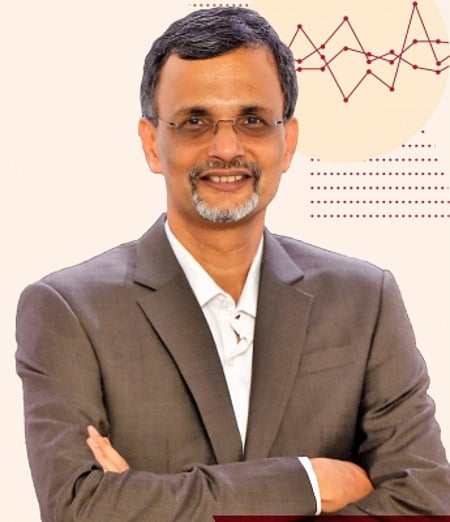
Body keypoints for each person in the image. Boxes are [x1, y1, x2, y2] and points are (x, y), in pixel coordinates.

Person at [16, 7, 450, 521]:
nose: (226, 148)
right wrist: (309, 483)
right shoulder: (68, 311)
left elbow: (426, 502)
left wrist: (145, 499)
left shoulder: (365, 299)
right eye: (195, 121)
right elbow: (78, 509)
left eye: (252, 120)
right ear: (152, 143)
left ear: (287, 142)